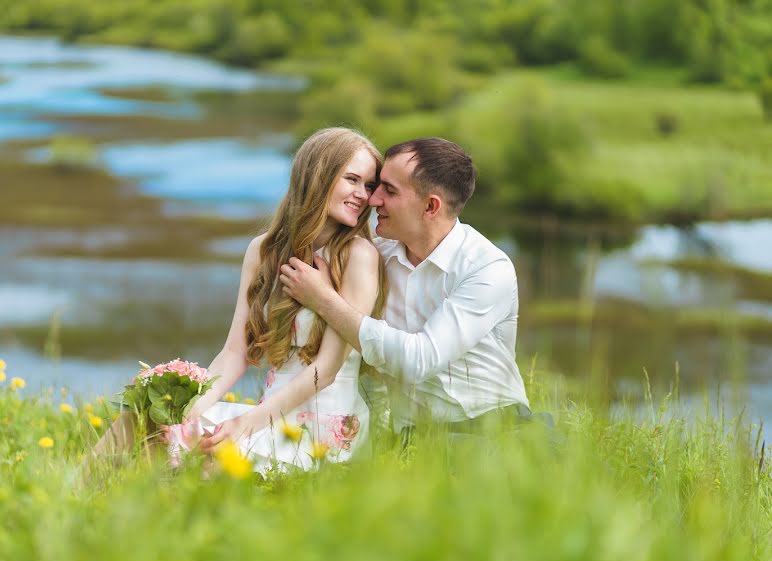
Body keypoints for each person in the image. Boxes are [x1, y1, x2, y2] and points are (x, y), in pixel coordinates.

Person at [92, 127, 386, 475]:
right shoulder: (263, 250)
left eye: (369, 186)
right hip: (267, 415)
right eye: (352, 180)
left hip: (324, 426)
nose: (363, 195)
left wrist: (247, 422)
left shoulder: (358, 256)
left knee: (209, 461)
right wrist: (190, 409)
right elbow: (236, 352)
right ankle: (69, 499)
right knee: (145, 413)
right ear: (318, 176)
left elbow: (328, 368)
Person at [279, 138, 529, 437]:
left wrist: (323, 299)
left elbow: (418, 360)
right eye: (377, 186)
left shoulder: (486, 268)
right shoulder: (376, 255)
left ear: (430, 206)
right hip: (410, 437)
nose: (373, 200)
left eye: (389, 190)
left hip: (491, 431)